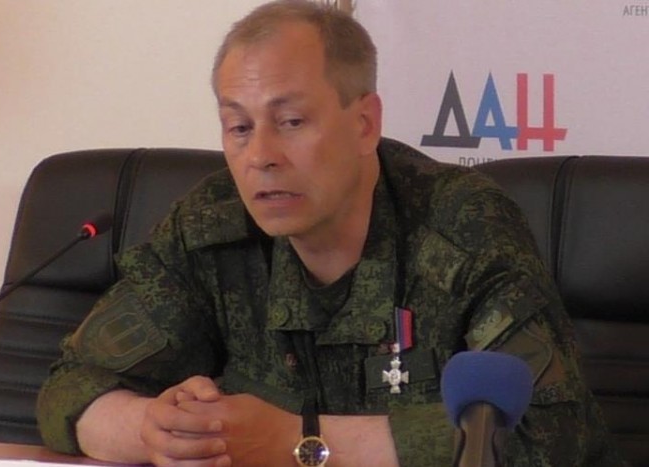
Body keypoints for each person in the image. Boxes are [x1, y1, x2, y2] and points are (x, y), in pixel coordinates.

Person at [36, 1, 624, 466]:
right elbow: (71, 387)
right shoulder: (208, 226)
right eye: (238, 127)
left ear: (364, 123)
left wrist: (298, 442)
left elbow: (548, 435)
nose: (260, 155)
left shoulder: (464, 224)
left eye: (291, 122)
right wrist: (153, 430)